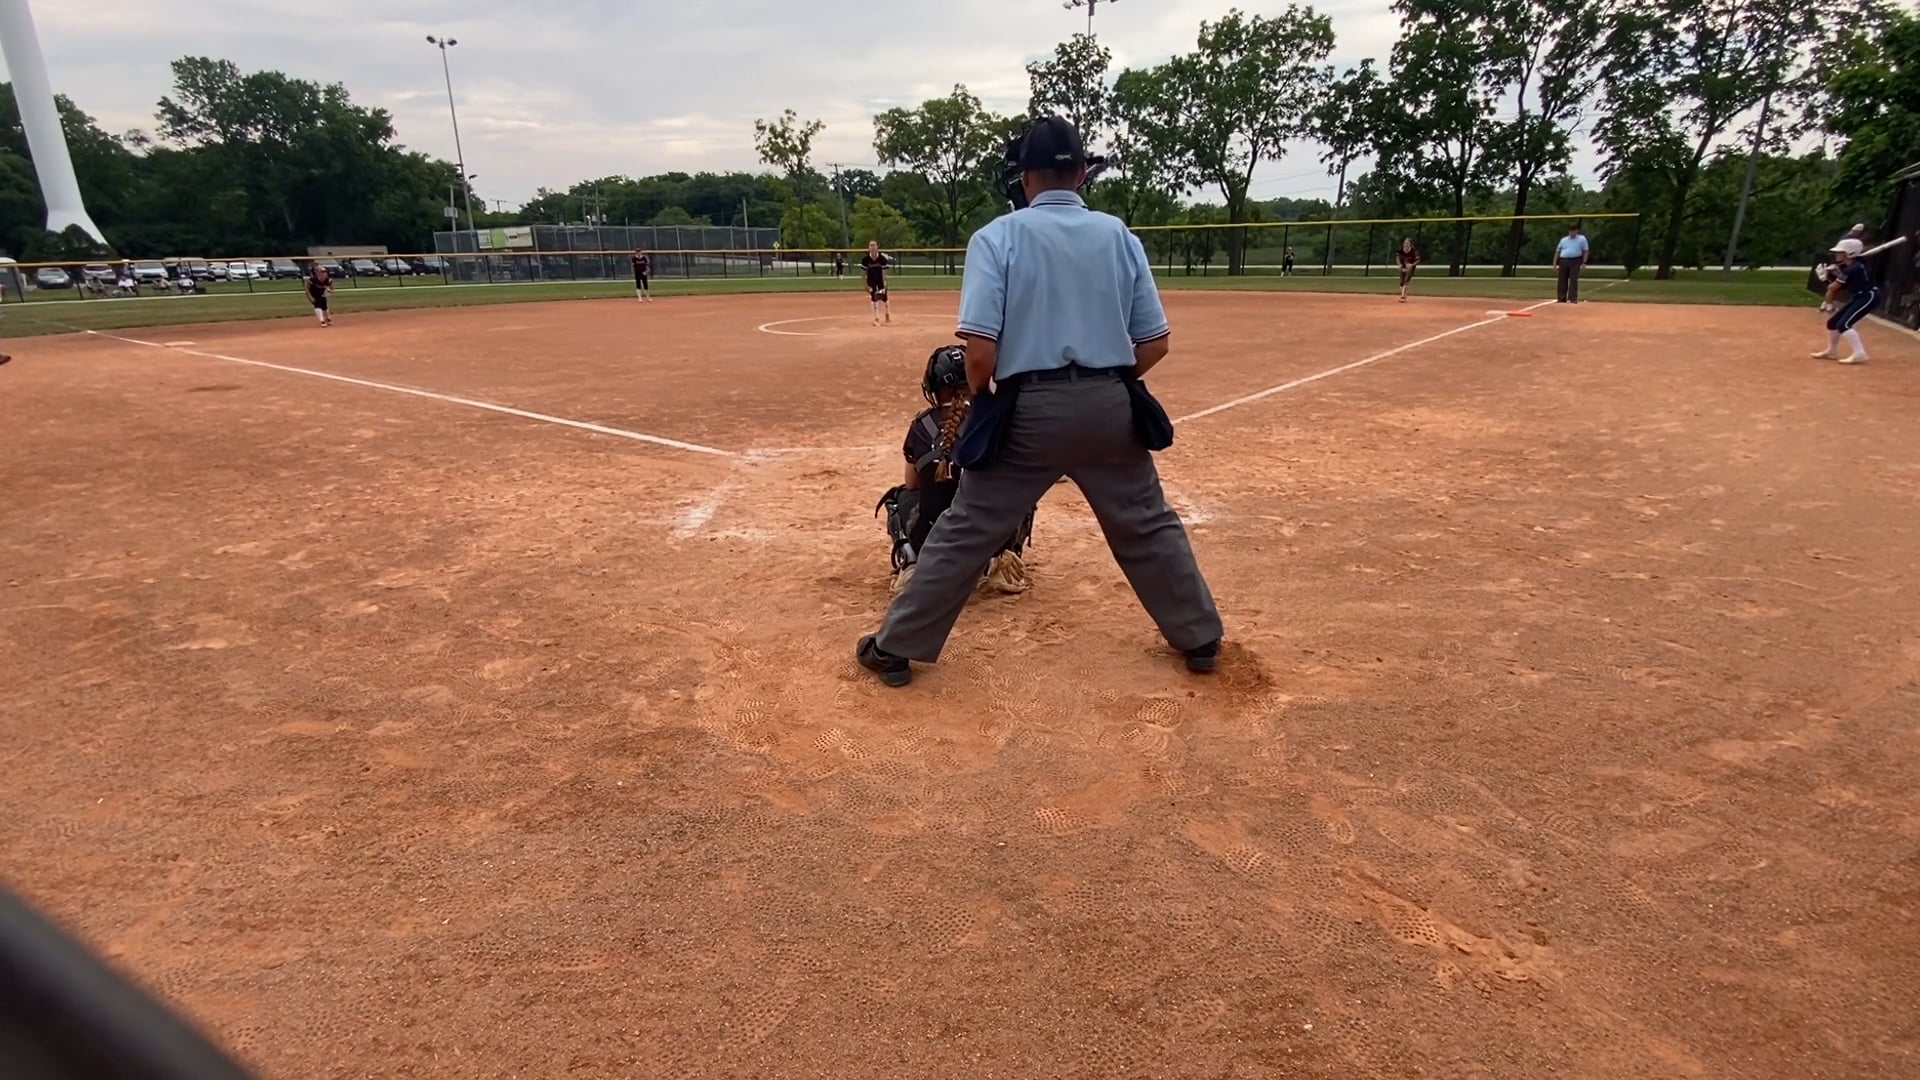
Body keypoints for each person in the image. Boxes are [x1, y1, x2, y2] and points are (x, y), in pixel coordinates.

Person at [856, 115, 1222, 688]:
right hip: (1110, 406)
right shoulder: (1118, 235)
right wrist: (1107, 382)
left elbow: (980, 353)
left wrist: (987, 402)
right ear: (1081, 174)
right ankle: (1200, 638)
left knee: (968, 527)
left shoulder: (997, 237)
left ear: (1025, 177)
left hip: (1027, 409)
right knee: (1147, 523)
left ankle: (896, 649)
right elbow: (1155, 343)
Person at [876, 345, 1034, 597]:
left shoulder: (921, 424)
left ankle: (912, 563)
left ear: (934, 387)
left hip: (934, 539)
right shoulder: (993, 418)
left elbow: (913, 484)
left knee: (900, 498)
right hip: (989, 537)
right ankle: (1002, 562)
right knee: (1020, 493)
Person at [1812, 238, 1877, 364]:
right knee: (1833, 323)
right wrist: (1836, 271)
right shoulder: (1853, 266)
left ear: (1848, 254)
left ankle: (1860, 353)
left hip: (1868, 296)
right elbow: (1843, 281)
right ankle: (1832, 351)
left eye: (1840, 252)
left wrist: (1824, 279)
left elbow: (1833, 288)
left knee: (1844, 325)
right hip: (1859, 296)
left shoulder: (1853, 269)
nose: (1837, 255)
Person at [1555, 224, 1590, 303]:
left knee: (1573, 279)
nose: (1572, 233)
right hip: (1563, 260)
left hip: (1575, 260)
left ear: (1576, 231)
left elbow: (1586, 251)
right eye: (1570, 231)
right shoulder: (1563, 240)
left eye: (1573, 231)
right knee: (1562, 280)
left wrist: (1584, 262)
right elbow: (1558, 251)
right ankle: (1561, 298)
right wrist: (1555, 263)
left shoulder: (1581, 239)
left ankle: (1573, 298)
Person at [860, 240, 891, 325]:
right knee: (874, 296)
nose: (872, 247)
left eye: (874, 245)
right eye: (871, 245)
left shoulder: (882, 259)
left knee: (884, 297)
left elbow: (884, 272)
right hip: (871, 280)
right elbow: (863, 273)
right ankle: (876, 318)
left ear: (877, 247)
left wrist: (885, 282)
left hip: (880, 279)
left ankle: (887, 313)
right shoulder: (865, 260)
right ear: (868, 248)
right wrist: (865, 285)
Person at [1395, 238, 1420, 302]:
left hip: (1410, 268)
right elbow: (1397, 258)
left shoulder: (1414, 251)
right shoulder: (1400, 250)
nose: (1406, 244)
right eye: (1405, 243)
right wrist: (1399, 264)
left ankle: (1403, 296)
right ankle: (1404, 295)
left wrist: (1412, 265)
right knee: (1401, 282)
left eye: (1407, 243)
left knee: (1406, 281)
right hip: (1403, 267)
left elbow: (1418, 260)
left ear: (1410, 244)